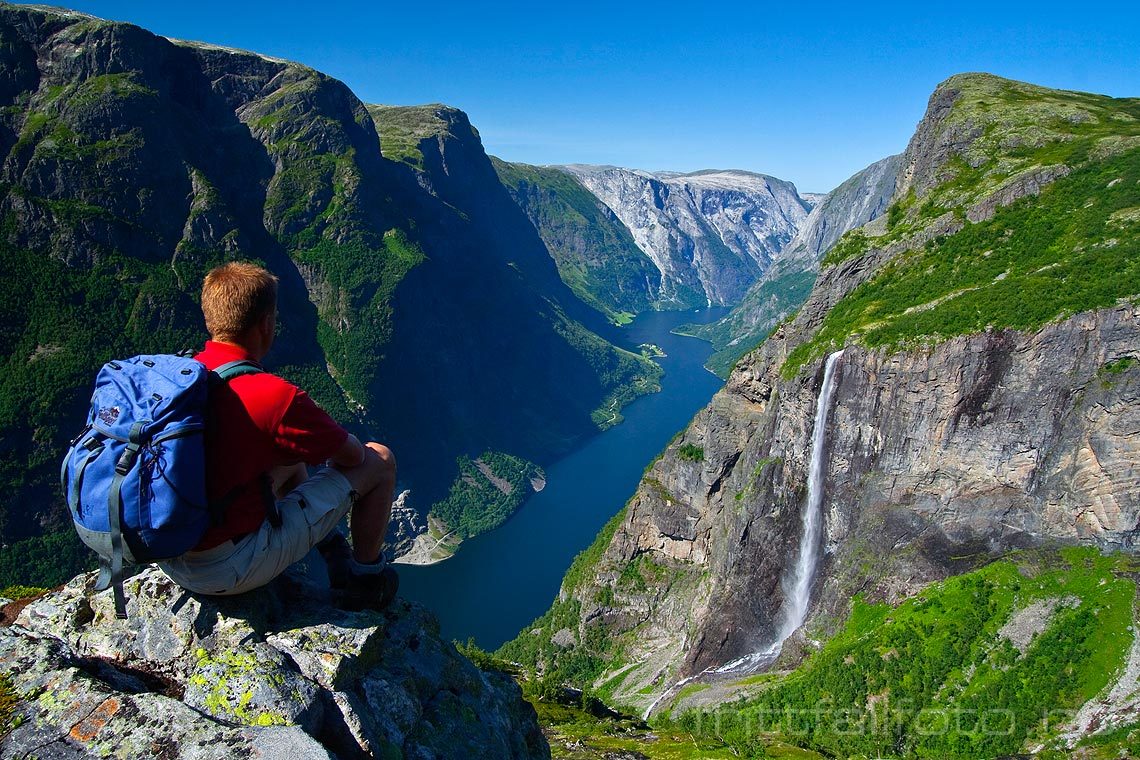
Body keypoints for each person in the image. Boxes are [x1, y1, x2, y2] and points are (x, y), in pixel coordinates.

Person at [158, 262, 398, 608]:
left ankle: (331, 550)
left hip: (170, 555)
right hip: (228, 570)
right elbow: (356, 458)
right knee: (381, 459)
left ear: (211, 321)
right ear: (267, 325)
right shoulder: (273, 397)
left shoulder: (182, 378)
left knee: (288, 455)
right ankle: (365, 580)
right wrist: (312, 427)